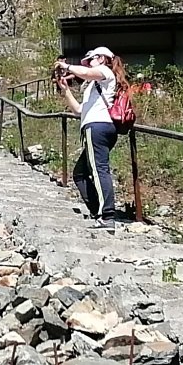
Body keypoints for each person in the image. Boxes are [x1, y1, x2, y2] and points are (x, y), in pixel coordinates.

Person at [54, 45, 126, 228]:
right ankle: (98, 210)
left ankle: (107, 215)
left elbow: (86, 72)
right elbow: (79, 110)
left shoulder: (104, 71)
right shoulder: (95, 85)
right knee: (80, 173)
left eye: (92, 59)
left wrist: (66, 66)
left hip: (97, 127)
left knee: (98, 170)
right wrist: (66, 90)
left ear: (101, 58)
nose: (89, 64)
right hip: (96, 126)